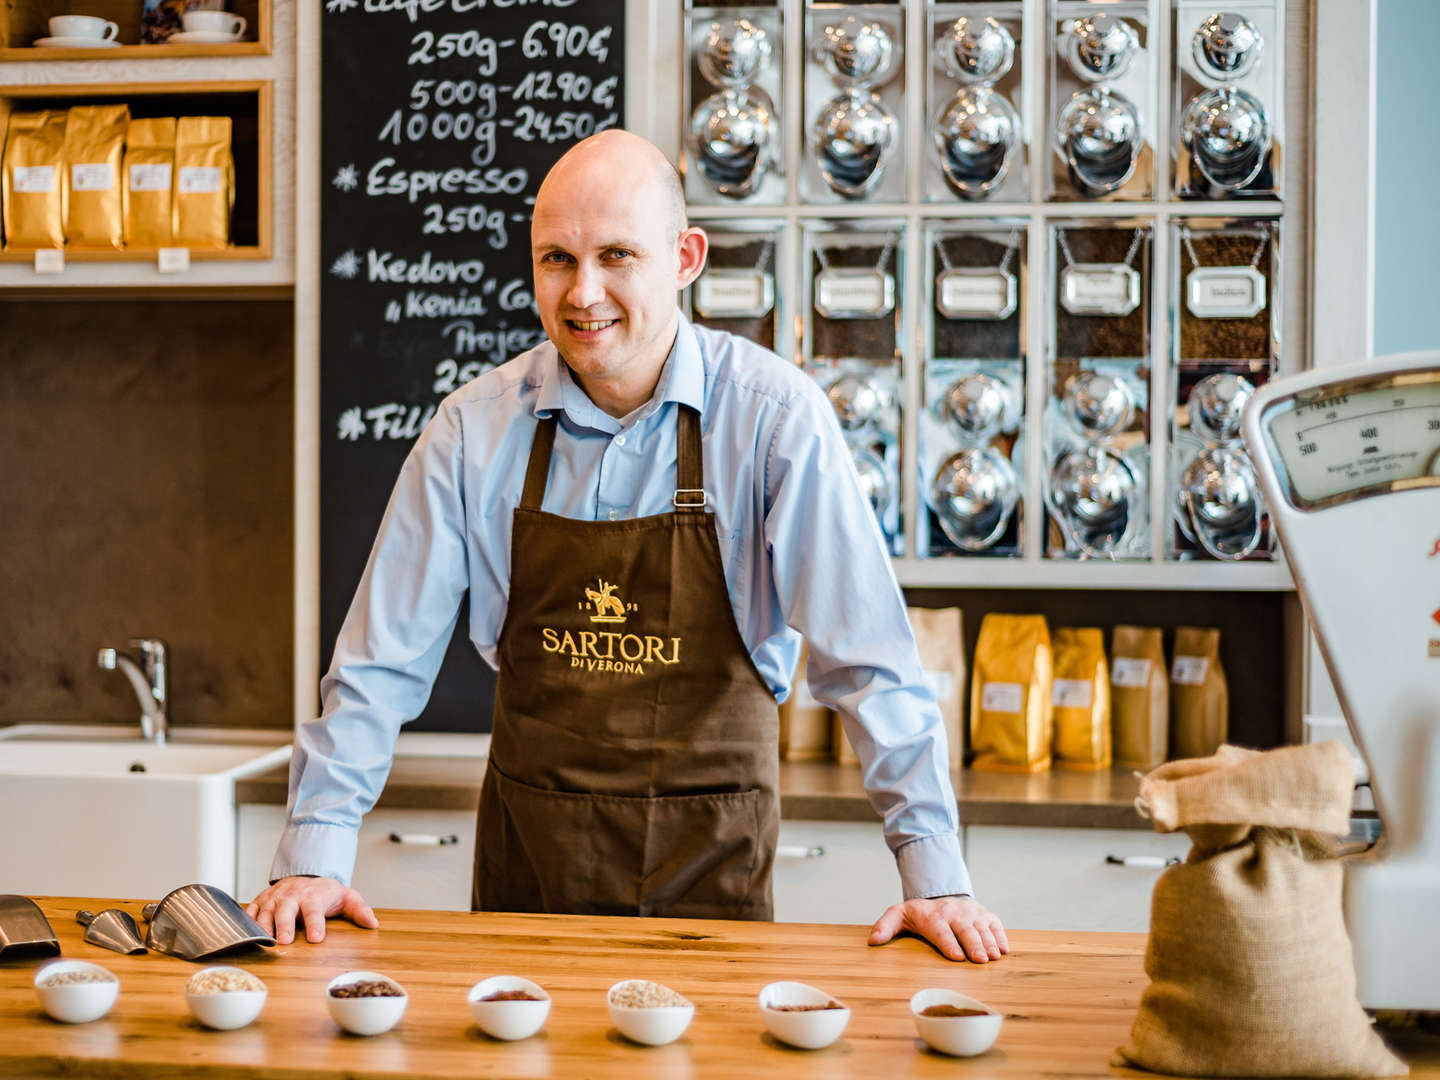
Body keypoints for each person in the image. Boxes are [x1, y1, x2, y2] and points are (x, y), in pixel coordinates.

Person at [247, 130, 1008, 965]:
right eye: (557, 259)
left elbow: (868, 664)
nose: (584, 292)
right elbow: (377, 664)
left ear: (685, 257)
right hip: (527, 884)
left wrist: (934, 875)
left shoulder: (773, 421)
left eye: (616, 255)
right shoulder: (473, 430)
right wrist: (315, 857)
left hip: (711, 881)